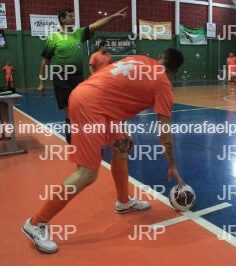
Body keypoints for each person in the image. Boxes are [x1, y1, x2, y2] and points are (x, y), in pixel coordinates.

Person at [22, 48, 186, 254]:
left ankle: (123, 202)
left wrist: (120, 127)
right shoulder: (163, 83)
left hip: (89, 96)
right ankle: (36, 222)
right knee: (87, 173)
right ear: (175, 72)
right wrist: (172, 165)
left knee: (122, 147)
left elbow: (116, 88)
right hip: (90, 106)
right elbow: (164, 132)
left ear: (160, 57)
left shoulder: (139, 59)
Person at [37, 7, 128, 144]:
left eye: (73, 16)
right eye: (69, 16)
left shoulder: (78, 33)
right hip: (61, 77)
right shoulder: (53, 37)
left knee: (81, 106)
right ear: (62, 19)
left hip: (78, 77)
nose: (73, 18)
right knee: (68, 109)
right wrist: (42, 82)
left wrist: (114, 16)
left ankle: (84, 135)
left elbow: (98, 24)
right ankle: (71, 140)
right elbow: (45, 62)